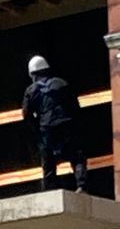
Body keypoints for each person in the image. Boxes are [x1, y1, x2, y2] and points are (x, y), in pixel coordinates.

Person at [22, 55, 86, 193]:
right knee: (76, 156)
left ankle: (50, 190)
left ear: (32, 74)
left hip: (47, 128)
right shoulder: (61, 84)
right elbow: (75, 107)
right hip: (66, 125)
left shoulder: (31, 91)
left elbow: (27, 116)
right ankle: (81, 185)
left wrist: (37, 131)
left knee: (48, 161)